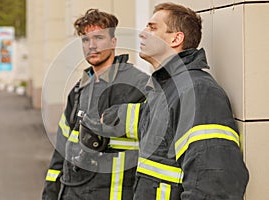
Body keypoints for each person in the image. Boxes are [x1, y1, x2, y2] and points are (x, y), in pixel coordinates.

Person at [87, 2, 249, 199]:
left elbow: (215, 185)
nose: (142, 33)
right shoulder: (167, 89)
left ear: (175, 38)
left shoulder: (197, 92)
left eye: (152, 28)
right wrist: (109, 118)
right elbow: (149, 122)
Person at [42, 9, 148, 200]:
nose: (91, 45)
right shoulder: (79, 90)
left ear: (113, 41)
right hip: (74, 191)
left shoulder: (138, 85)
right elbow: (61, 150)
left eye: (98, 37)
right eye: (85, 39)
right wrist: (50, 193)